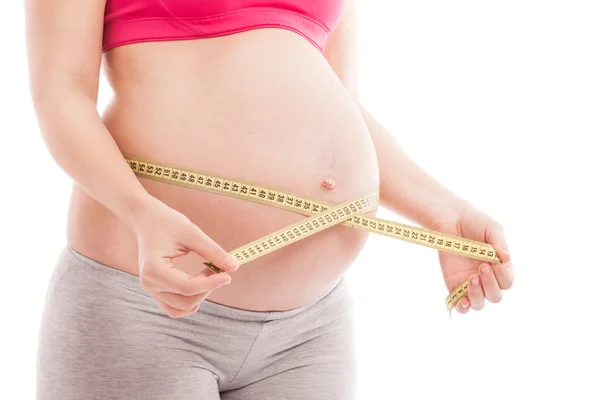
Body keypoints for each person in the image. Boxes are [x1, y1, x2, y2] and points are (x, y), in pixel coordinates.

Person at [26, 0, 514, 399]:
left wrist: (444, 214)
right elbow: (61, 93)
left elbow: (343, 102)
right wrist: (142, 212)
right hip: (146, 303)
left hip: (312, 326)